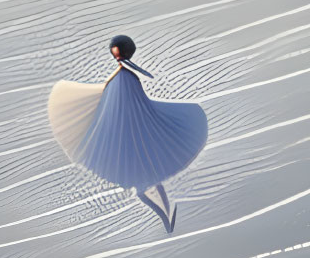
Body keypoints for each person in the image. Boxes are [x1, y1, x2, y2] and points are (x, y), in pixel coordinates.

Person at [47, 36, 208, 233]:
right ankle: (165, 215)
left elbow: (122, 98)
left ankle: (164, 214)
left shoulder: (121, 78)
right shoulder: (128, 77)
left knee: (143, 171)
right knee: (148, 169)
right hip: (133, 125)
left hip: (128, 126)